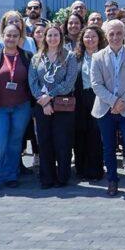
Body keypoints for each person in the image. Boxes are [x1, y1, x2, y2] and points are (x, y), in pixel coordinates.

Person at [90, 19, 125, 197]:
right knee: (108, 147)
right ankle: (112, 180)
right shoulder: (97, 57)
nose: (115, 37)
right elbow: (96, 84)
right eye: (111, 34)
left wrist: (123, 102)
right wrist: (113, 102)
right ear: (106, 36)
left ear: (124, 34)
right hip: (105, 109)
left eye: (119, 33)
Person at [0, 23, 34, 193]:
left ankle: (11, 175)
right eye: (8, 35)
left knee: (15, 143)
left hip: (21, 108)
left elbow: (33, 82)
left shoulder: (28, 57)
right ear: (2, 36)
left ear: (20, 38)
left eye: (15, 36)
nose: (11, 38)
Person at [28, 24, 79, 189]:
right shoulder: (36, 58)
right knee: (44, 142)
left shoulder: (69, 56)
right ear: (44, 38)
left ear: (61, 37)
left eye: (56, 35)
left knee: (62, 141)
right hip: (42, 105)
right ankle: (47, 178)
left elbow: (69, 82)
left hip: (63, 105)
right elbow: (33, 82)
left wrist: (49, 96)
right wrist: (43, 101)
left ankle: (62, 177)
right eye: (49, 35)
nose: (52, 38)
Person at [73, 25, 107, 181]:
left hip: (99, 98)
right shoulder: (75, 57)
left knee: (95, 134)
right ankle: (80, 169)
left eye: (93, 36)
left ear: (99, 38)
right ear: (82, 39)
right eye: (87, 36)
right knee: (80, 133)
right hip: (80, 98)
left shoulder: (105, 56)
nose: (90, 39)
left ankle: (95, 170)